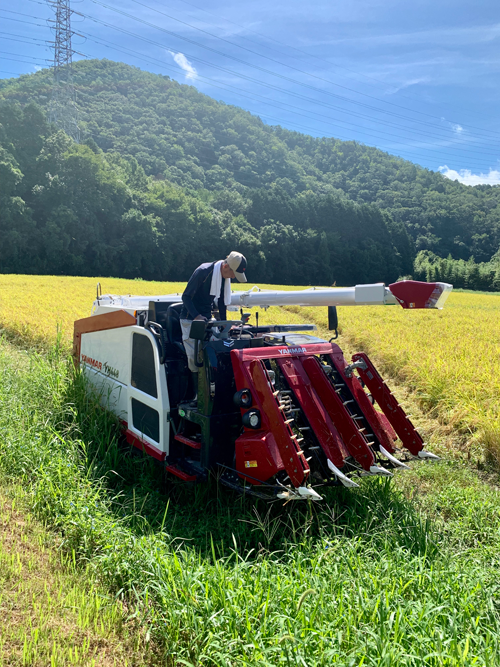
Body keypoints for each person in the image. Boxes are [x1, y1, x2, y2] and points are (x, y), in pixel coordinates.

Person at [180, 251, 247, 390]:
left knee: (214, 352)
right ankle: (196, 396)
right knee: (195, 359)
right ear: (225, 267)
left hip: (206, 319)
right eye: (234, 273)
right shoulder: (203, 272)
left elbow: (222, 302)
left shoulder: (223, 278)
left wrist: (224, 324)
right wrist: (197, 316)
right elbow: (186, 297)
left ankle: (213, 389)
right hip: (190, 319)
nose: (233, 277)